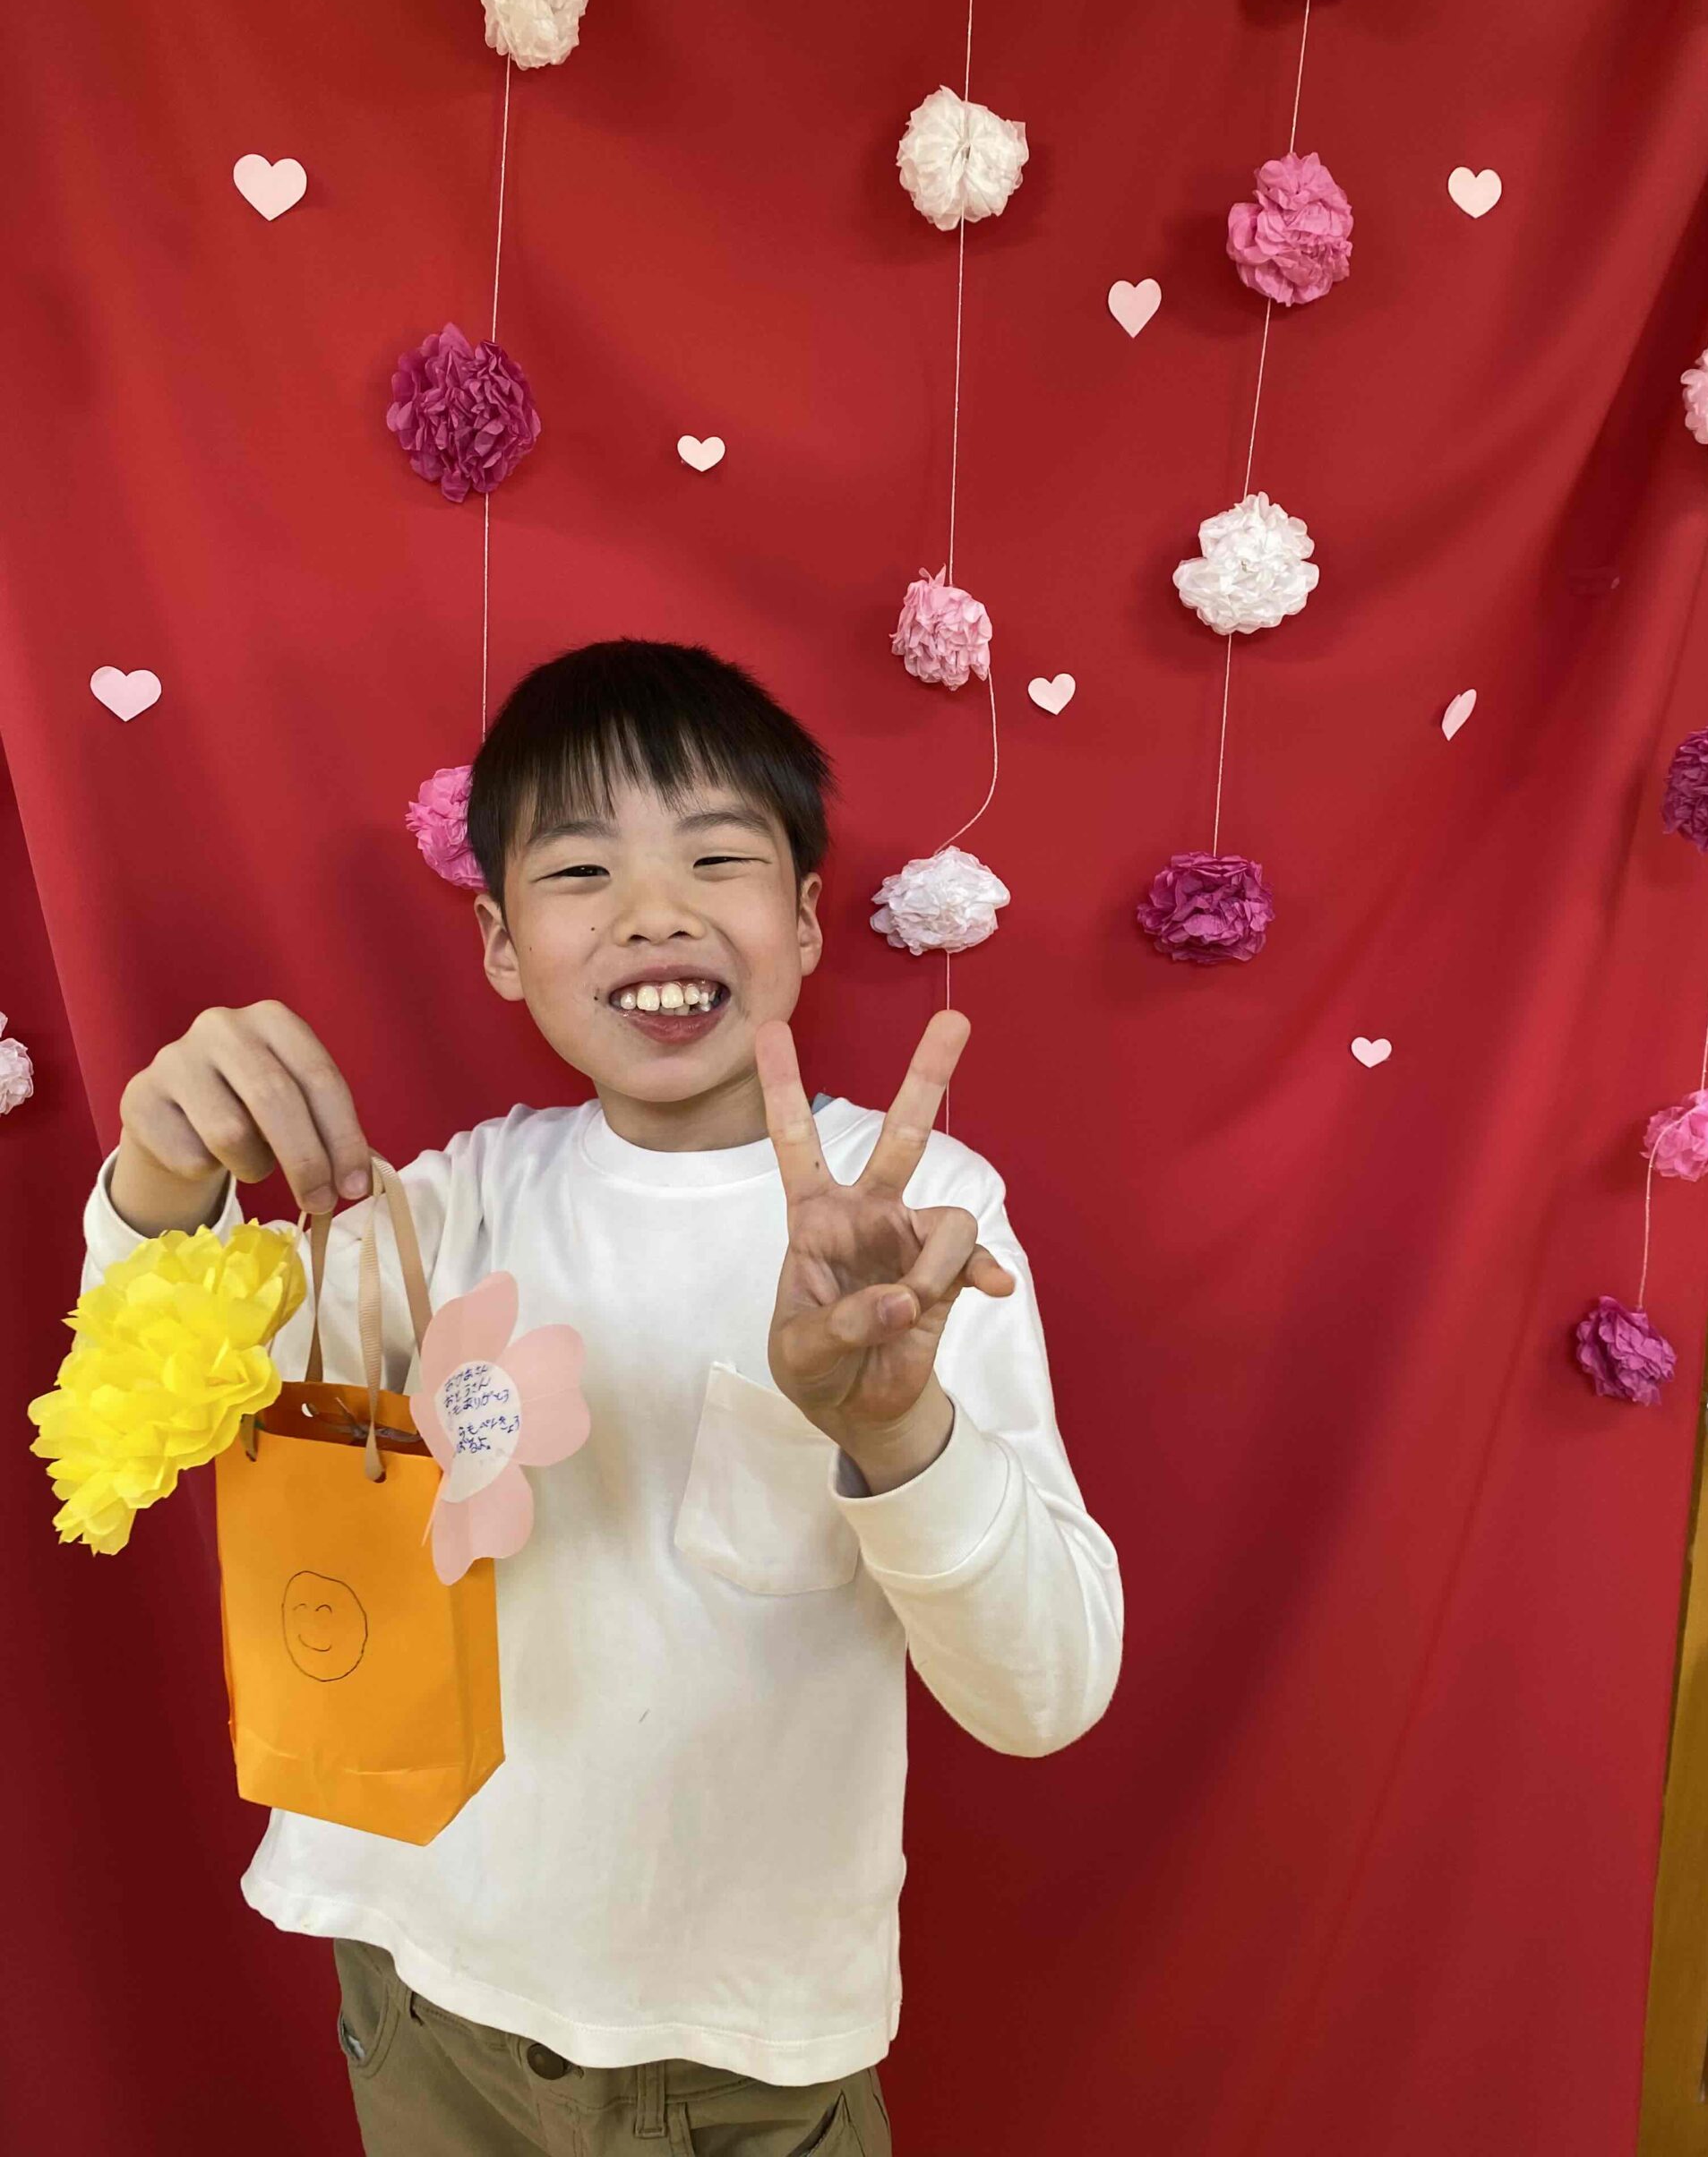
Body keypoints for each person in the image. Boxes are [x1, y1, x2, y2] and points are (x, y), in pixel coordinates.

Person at [80, 637, 1124, 2157]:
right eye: (581, 871)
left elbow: (1045, 1695)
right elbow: (142, 1384)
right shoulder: (452, 1209)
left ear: (806, 919)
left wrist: (896, 1431)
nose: (655, 910)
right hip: (420, 1994)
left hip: (741, 2055)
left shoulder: (918, 1223)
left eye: (717, 856)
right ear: (501, 944)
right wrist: (161, 1177)